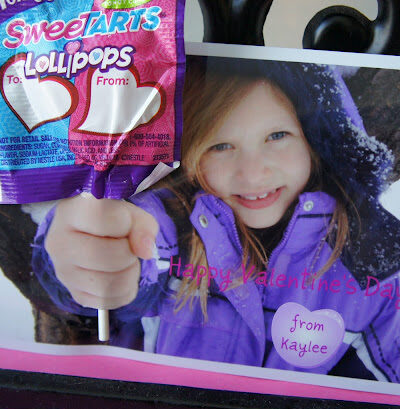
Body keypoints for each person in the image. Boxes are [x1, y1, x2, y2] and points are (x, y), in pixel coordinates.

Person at [33, 56, 400, 381]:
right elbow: (113, 272)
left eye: (277, 135)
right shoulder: (169, 224)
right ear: (192, 154)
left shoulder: (376, 264)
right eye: (220, 146)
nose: (252, 173)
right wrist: (87, 252)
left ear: (316, 144)